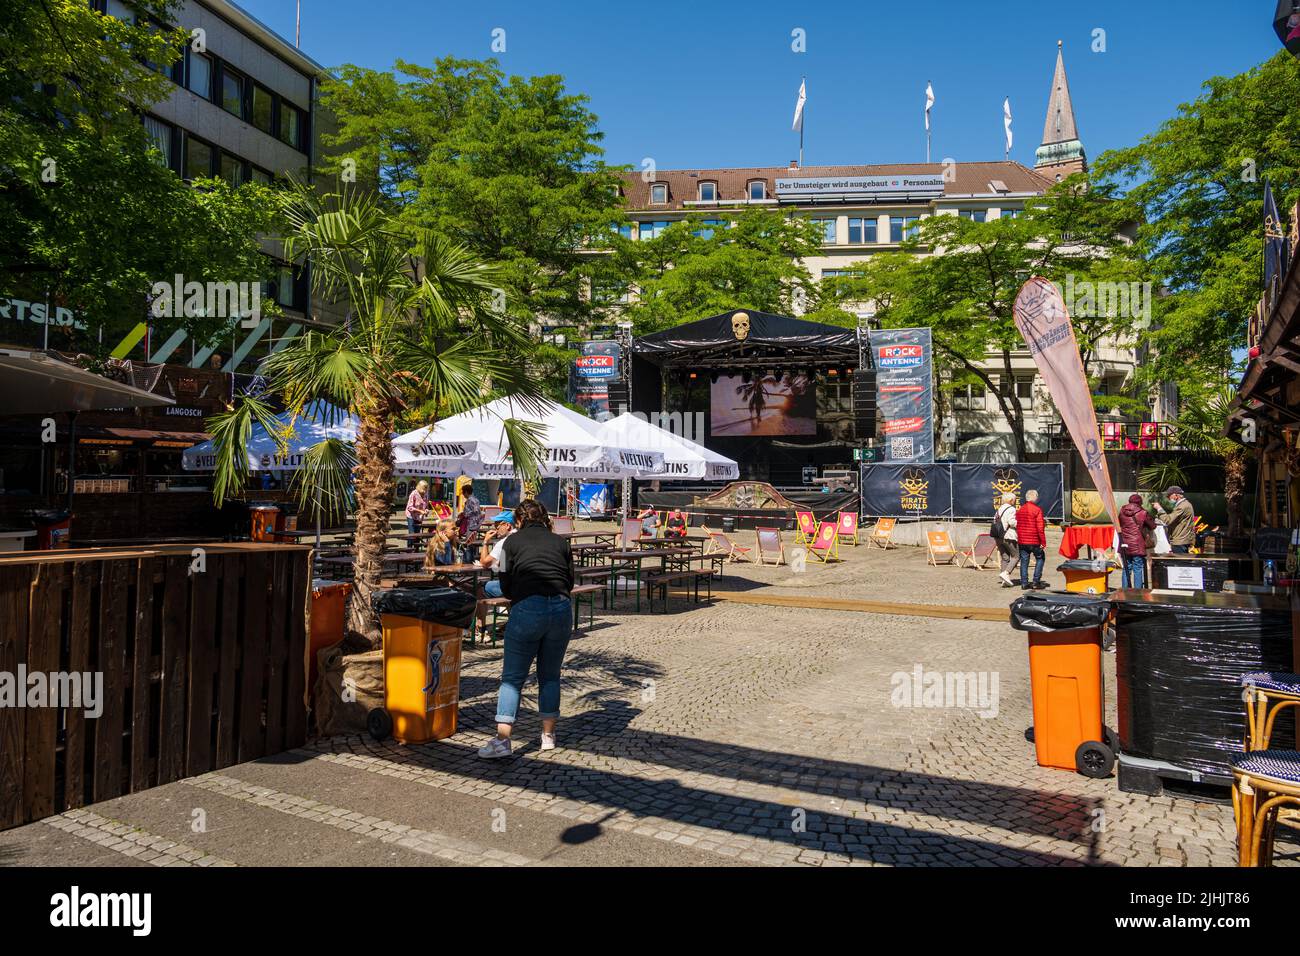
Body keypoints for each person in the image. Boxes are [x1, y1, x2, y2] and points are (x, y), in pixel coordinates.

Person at [478, 499, 574, 759]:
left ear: (518, 521)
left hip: (528, 608)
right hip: (561, 608)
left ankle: (502, 741)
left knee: (512, 677)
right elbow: (570, 580)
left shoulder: (510, 543)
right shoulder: (561, 543)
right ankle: (548, 736)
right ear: (544, 518)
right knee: (551, 675)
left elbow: (505, 582)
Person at [1117, 493, 1155, 588]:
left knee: (1126, 568)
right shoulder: (1143, 512)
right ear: (1140, 502)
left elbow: (1120, 523)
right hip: (1137, 545)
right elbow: (1152, 526)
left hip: (1125, 544)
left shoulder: (1122, 511)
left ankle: (1125, 591)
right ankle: (1137, 592)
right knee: (1137, 568)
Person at [1015, 489, 1048, 590]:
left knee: (1024, 561)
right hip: (1034, 540)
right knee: (1040, 557)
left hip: (1022, 540)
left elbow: (1017, 525)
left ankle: (1024, 583)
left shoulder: (1020, 510)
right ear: (1035, 498)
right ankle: (1036, 581)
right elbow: (1040, 528)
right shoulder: (1037, 510)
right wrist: (1043, 542)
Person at [478, 512, 515, 598]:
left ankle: (480, 611)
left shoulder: (504, 542)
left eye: (497, 525)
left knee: (480, 587)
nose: (495, 529)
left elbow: (484, 563)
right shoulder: (521, 536)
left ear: (507, 525)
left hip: (511, 586)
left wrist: (485, 542)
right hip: (525, 584)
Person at [1153, 485, 1196, 554]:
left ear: (1176, 495)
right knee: (1182, 562)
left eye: (1169, 495)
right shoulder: (1185, 504)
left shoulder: (1182, 506)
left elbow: (1168, 520)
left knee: (1179, 563)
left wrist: (1159, 508)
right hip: (1183, 539)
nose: (1167, 497)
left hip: (1180, 541)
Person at [993, 492, 1019, 588]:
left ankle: (1004, 580)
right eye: (1014, 499)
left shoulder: (999, 509)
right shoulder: (1011, 509)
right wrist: (1020, 523)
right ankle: (1006, 573)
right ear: (1011, 500)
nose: (1015, 501)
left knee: (1005, 557)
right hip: (1008, 536)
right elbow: (1012, 522)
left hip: (998, 536)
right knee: (1016, 556)